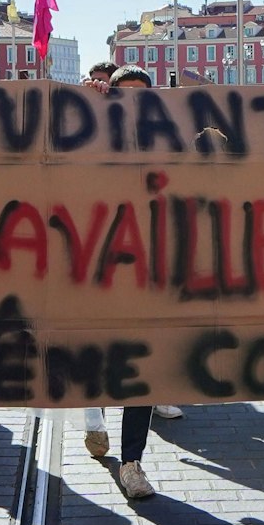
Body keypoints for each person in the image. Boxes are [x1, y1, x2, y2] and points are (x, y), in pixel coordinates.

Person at [76, 66, 180, 498]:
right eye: (124, 95)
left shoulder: (165, 143)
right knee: (97, 357)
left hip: (149, 273)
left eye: (142, 96)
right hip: (95, 269)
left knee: (143, 370)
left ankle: (132, 462)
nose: (133, 103)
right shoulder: (92, 137)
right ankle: (93, 417)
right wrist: (86, 102)